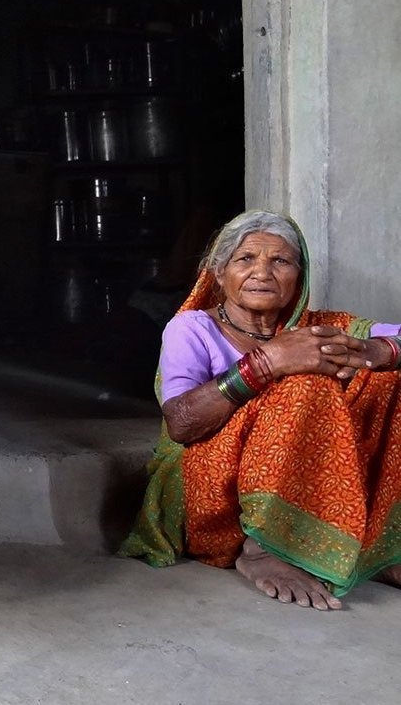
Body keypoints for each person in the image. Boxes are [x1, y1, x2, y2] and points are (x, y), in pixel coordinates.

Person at [120, 210, 401, 610]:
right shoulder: (192, 328)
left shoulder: (319, 328)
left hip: (308, 489)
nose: (262, 272)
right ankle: (263, 548)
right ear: (219, 274)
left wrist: (378, 351)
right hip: (213, 496)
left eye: (280, 261)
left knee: (389, 377)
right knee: (308, 379)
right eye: (245, 259)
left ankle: (384, 547)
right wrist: (266, 364)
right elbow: (181, 424)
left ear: (298, 277)